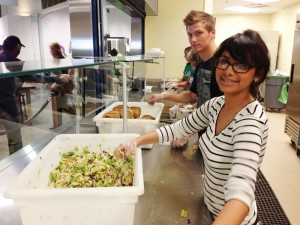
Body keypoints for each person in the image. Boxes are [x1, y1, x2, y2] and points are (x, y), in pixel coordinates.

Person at [115, 29, 270, 225]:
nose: (228, 71)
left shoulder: (250, 123)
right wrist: (136, 141)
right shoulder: (217, 104)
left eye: (241, 65)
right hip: (210, 207)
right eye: (224, 61)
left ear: (258, 73)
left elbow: (241, 189)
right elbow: (178, 129)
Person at [150, 10, 223, 148]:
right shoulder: (201, 64)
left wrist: (187, 131)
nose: (193, 39)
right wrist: (164, 96)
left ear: (212, 32)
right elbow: (193, 96)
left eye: (198, 33)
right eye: (189, 34)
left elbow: (224, 109)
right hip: (204, 134)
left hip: (220, 139)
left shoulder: (222, 64)